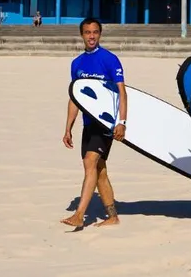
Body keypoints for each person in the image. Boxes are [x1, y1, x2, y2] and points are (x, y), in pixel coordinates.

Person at [60, 17, 128, 229]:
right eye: (88, 32)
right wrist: (68, 128)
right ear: (82, 34)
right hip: (88, 123)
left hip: (105, 122)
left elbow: (122, 93)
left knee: (90, 163)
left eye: (95, 32)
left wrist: (122, 122)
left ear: (100, 34)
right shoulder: (77, 64)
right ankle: (112, 216)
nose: (91, 36)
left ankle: (79, 215)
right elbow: (75, 98)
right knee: (99, 170)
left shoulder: (110, 59)